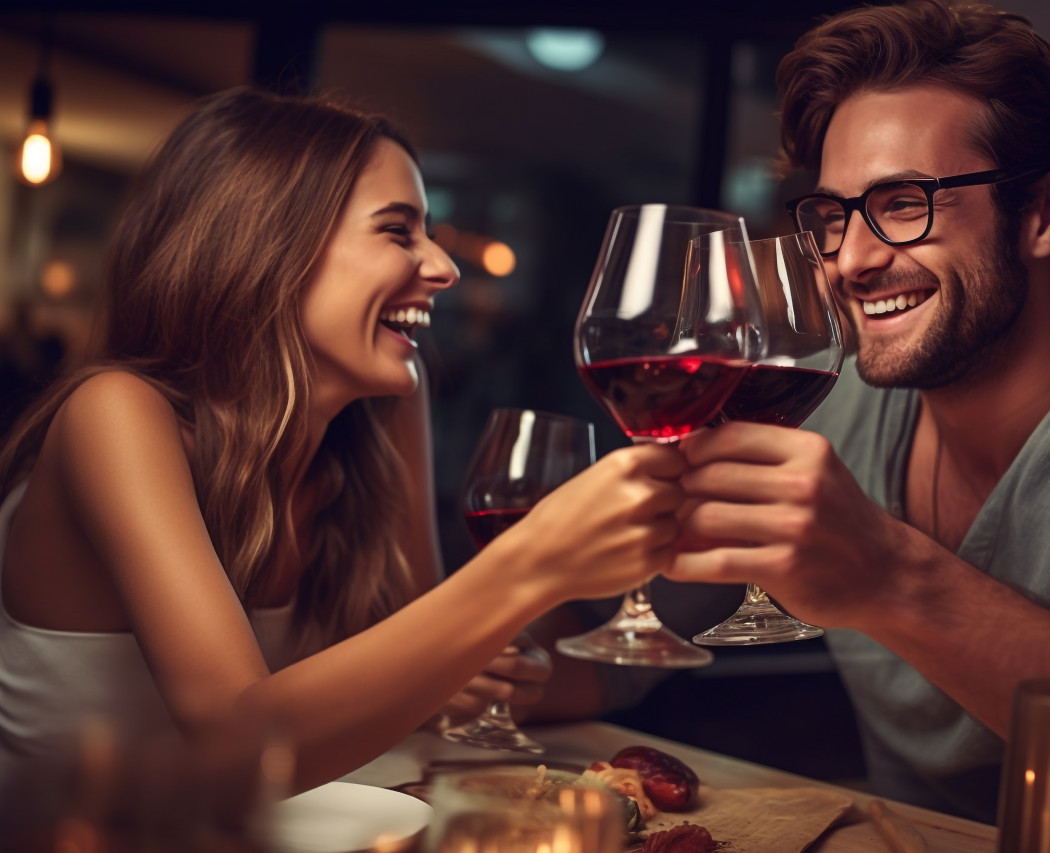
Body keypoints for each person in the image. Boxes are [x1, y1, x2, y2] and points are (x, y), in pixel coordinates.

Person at [539, 1, 1050, 850]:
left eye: (902, 204)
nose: (851, 260)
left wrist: (890, 575)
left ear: (1044, 214)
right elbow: (626, 650)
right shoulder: (844, 392)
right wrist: (495, 662)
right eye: (832, 215)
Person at [0, 87, 687, 828]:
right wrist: (531, 563)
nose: (443, 267)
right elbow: (240, 742)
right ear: (268, 244)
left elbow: (425, 647)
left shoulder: (387, 401)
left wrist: (463, 676)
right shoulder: (117, 413)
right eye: (398, 231)